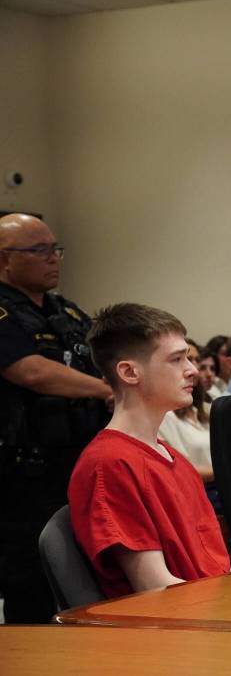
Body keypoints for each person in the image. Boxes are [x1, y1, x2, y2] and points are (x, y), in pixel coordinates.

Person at [68, 303, 230, 598]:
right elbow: (155, 587)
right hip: (177, 619)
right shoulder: (110, 464)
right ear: (130, 372)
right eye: (177, 359)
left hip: (213, 605)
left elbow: (216, 567)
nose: (193, 370)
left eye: (188, 358)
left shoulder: (174, 458)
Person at [0, 213, 111, 623]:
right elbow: (30, 371)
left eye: (55, 249)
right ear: (4, 259)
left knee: (85, 574)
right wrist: (105, 390)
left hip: (77, 460)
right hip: (23, 471)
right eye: (39, 250)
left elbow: (103, 354)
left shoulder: (66, 311)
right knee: (29, 581)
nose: (53, 258)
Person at [157, 338, 213, 483]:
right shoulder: (162, 415)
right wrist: (227, 471)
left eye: (196, 360)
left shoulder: (205, 409)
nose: (194, 369)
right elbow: (174, 470)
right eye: (180, 359)